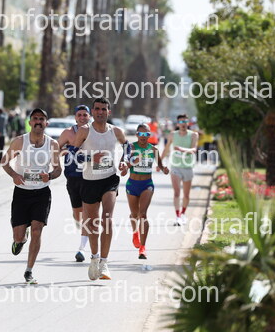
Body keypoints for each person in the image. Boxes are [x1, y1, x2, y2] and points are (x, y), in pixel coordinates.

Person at [1, 108, 62, 284]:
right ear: (30, 122)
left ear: (46, 123)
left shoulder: (52, 145)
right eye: (35, 119)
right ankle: (21, 238)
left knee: (37, 230)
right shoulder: (20, 142)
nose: (38, 122)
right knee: (18, 236)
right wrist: (14, 175)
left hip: (42, 193)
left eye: (42, 119)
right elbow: (4, 162)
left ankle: (29, 270)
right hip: (22, 193)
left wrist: (49, 175)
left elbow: (58, 169)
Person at [73, 98, 128, 280]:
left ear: (108, 112)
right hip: (89, 181)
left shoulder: (116, 131)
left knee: (107, 218)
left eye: (103, 109)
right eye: (97, 109)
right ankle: (94, 258)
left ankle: (104, 262)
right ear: (93, 112)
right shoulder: (84, 130)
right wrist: (90, 158)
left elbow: (128, 147)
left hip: (109, 179)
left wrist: (125, 162)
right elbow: (73, 154)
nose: (100, 112)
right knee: (92, 224)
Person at [121, 123, 169, 260]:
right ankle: (135, 232)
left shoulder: (153, 149)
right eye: (141, 134)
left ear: (150, 135)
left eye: (146, 134)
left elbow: (161, 166)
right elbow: (123, 168)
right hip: (132, 184)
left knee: (142, 214)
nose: (143, 136)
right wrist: (131, 163)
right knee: (134, 214)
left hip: (147, 184)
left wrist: (164, 169)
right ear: (137, 134)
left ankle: (143, 247)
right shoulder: (130, 148)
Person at [57, 104, 91, 262]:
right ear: (75, 117)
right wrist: (63, 151)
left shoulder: (94, 132)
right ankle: (77, 220)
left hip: (90, 177)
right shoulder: (68, 133)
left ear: (89, 116)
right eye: (80, 115)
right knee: (78, 214)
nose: (82, 117)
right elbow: (55, 149)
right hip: (72, 177)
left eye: (85, 114)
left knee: (88, 214)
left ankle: (82, 248)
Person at [160, 114, 199, 226]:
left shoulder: (193, 135)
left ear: (188, 123)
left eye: (185, 121)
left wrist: (182, 149)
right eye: (181, 122)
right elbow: (166, 149)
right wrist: (159, 163)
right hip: (175, 166)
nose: (183, 124)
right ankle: (177, 216)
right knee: (177, 192)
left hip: (188, 167)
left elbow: (194, 149)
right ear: (177, 124)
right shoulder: (172, 135)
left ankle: (183, 214)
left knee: (186, 195)